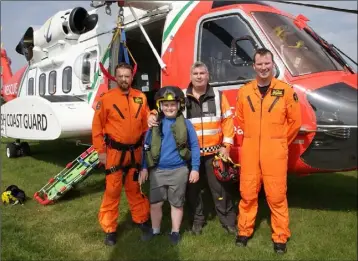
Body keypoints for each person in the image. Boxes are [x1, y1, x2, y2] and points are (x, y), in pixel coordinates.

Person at [148, 61, 236, 235]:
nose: (199, 76)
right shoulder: (182, 97)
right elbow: (164, 108)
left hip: (214, 153)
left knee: (220, 190)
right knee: (192, 191)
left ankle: (228, 221)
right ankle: (197, 221)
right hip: (189, 154)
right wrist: (151, 116)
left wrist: (226, 146)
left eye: (202, 73)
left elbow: (228, 121)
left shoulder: (218, 96)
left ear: (208, 75)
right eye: (195, 74)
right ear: (191, 76)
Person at [235, 48, 301, 254]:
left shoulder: (286, 91)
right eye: (260, 64)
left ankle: (280, 237)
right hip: (251, 151)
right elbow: (241, 119)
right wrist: (255, 138)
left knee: (276, 196)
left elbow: (295, 122)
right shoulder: (245, 91)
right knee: (247, 194)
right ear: (254, 66)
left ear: (273, 65)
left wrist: (280, 141)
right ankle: (244, 231)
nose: (263, 67)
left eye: (267, 63)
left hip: (275, 153)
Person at [92, 62, 150, 246]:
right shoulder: (106, 99)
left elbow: (147, 121)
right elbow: (96, 127)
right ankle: (110, 229)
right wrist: (100, 151)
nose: (124, 79)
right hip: (114, 153)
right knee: (112, 190)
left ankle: (141, 219)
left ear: (132, 77)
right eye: (121, 76)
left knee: (135, 189)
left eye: (127, 76)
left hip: (136, 152)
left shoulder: (140, 97)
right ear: (115, 77)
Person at [139, 86, 201, 245]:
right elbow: (146, 147)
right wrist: (144, 167)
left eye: (173, 104)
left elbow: (194, 146)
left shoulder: (186, 124)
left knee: (176, 203)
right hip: (157, 171)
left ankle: (175, 232)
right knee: (156, 203)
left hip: (179, 171)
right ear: (160, 106)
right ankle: (155, 230)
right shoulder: (154, 124)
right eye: (165, 105)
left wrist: (195, 168)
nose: (169, 108)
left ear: (179, 105)